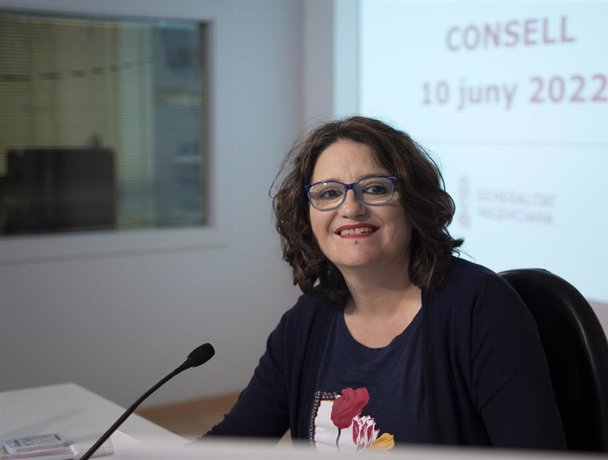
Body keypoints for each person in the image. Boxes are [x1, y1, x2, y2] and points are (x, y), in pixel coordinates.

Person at [204, 116, 566, 452]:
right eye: (328, 193)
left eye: (375, 188)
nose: (351, 208)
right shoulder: (306, 322)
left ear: (413, 202)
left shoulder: (479, 308)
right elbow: (236, 441)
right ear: (307, 215)